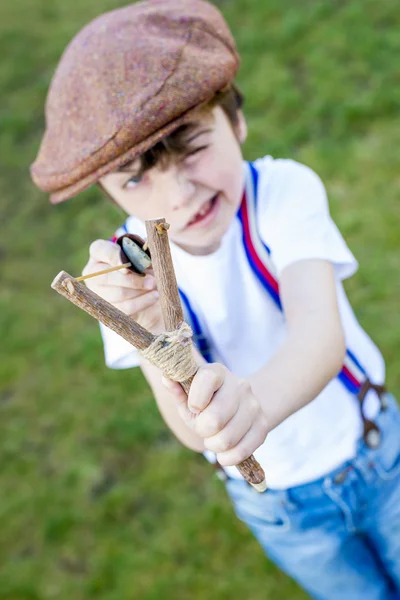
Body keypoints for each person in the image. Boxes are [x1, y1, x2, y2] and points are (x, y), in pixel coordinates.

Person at [31, 1, 400, 598]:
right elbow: (189, 428)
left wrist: (255, 402)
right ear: (105, 188)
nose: (180, 192)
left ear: (236, 122)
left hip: (376, 453)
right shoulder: (120, 282)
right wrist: (149, 330)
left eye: (193, 147)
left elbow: (319, 337)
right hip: (279, 505)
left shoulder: (281, 192)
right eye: (135, 178)